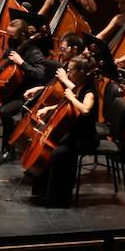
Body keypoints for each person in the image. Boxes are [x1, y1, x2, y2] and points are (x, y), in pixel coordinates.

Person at [0, 18, 48, 161]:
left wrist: (22, 63)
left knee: (5, 112)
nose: (8, 38)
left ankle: (9, 149)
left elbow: (40, 74)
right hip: (8, 92)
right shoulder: (12, 49)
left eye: (12, 36)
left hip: (25, 95)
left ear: (22, 35)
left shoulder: (34, 53)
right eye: (7, 34)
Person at [28, 56, 99, 206]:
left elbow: (85, 109)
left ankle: (58, 199)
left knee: (59, 153)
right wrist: (48, 108)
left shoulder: (89, 92)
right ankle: (42, 191)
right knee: (52, 149)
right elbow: (67, 105)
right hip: (73, 133)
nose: (68, 73)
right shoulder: (78, 87)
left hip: (85, 138)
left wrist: (72, 98)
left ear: (81, 72)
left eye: (71, 70)